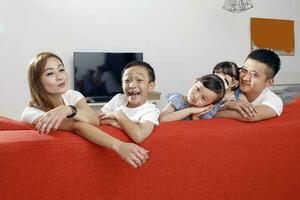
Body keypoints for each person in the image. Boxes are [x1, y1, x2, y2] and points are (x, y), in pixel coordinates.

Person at [21, 52, 149, 168]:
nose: (60, 77)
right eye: (50, 73)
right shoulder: (31, 113)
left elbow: (94, 120)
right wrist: (119, 145)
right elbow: (77, 125)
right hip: (57, 164)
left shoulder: (72, 95)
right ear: (36, 82)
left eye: (61, 69)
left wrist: (68, 109)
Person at [99, 61, 160, 144]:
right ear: (122, 85)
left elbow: (139, 136)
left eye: (139, 80)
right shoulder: (118, 99)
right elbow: (98, 119)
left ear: (151, 86)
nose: (132, 85)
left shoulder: (151, 110)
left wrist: (117, 115)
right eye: (127, 80)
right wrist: (113, 122)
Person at [215, 49, 283, 121]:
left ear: (269, 82)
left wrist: (213, 114)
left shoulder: (274, 100)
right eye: (244, 70)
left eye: (254, 74)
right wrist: (227, 106)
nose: (245, 78)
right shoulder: (231, 83)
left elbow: (251, 115)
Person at [159, 74, 225, 122]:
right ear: (195, 82)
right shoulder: (178, 99)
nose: (196, 96)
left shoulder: (203, 113)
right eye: (198, 89)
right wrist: (190, 110)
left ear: (209, 105)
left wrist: (195, 118)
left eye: (203, 98)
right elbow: (162, 118)